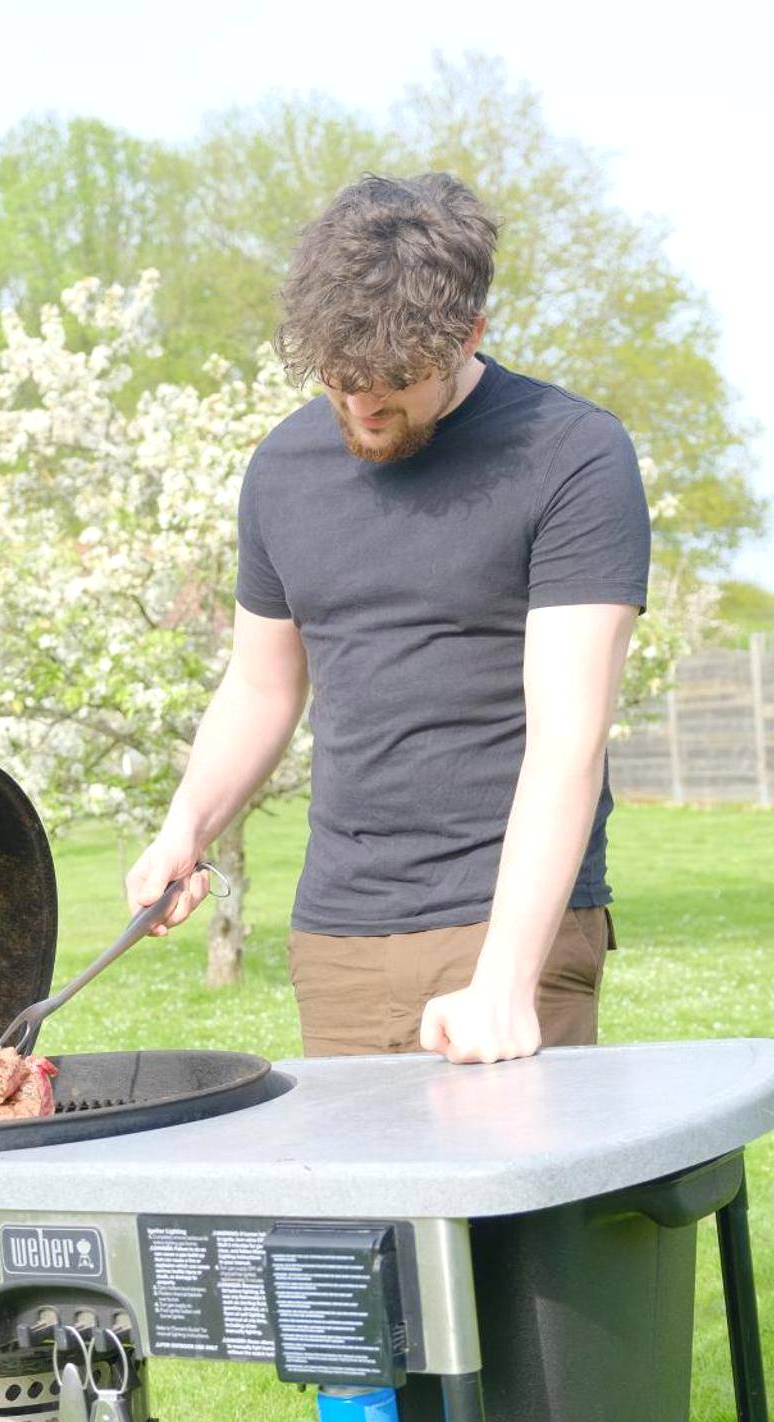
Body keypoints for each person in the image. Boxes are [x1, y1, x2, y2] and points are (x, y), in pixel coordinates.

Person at [125, 171, 650, 1065]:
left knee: (511, 1207)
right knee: (363, 1211)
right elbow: (260, 685)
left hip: (509, 925)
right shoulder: (284, 468)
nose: (365, 408)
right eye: (341, 381)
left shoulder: (571, 454)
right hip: (338, 938)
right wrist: (186, 826)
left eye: (396, 381)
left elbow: (569, 740)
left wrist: (506, 981)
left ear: (471, 333)